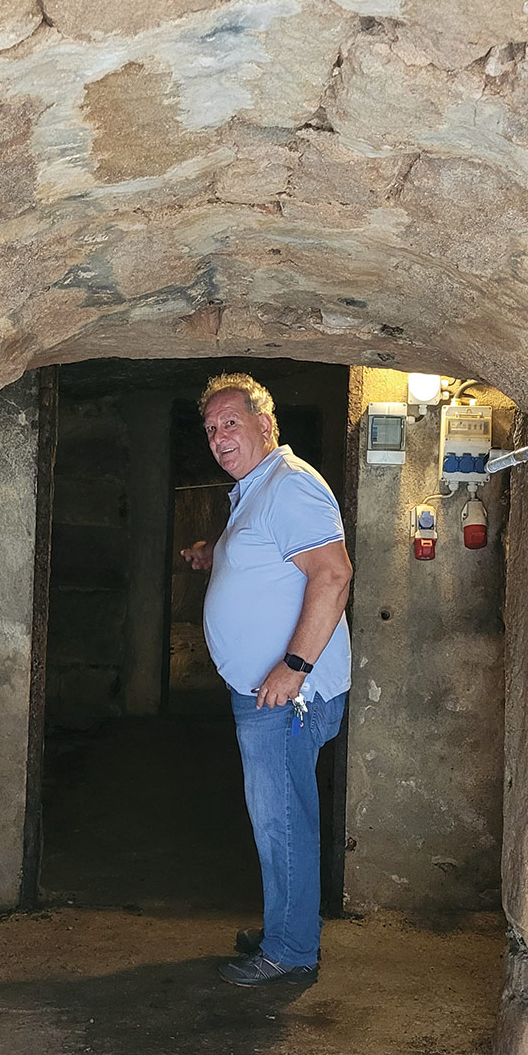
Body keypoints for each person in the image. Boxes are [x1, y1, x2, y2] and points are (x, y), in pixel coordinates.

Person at [182, 373, 352, 987]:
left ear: (265, 425)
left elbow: (332, 575)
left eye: (231, 422)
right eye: (211, 429)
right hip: (268, 693)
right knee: (278, 816)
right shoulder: (258, 490)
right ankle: (288, 924)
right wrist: (215, 555)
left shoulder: (290, 486)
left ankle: (290, 949)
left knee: (282, 821)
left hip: (287, 695)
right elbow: (269, 560)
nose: (219, 437)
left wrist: (295, 667)